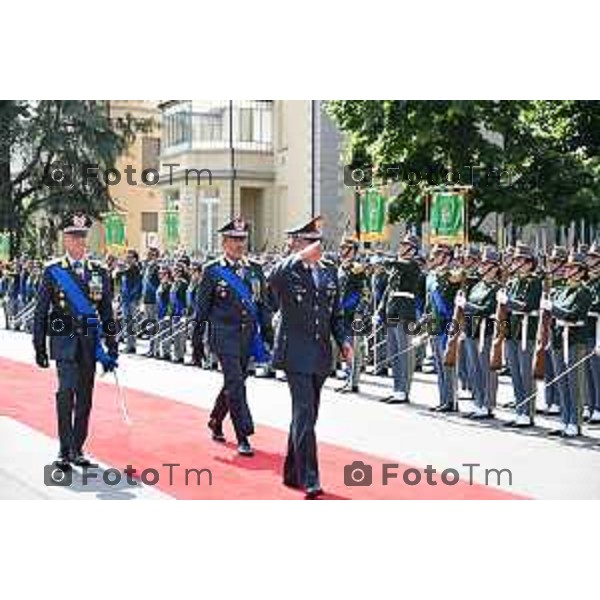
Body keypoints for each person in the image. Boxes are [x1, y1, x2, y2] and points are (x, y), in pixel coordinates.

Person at [269, 216, 352, 498]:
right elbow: (272, 278)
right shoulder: (289, 270)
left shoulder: (328, 272)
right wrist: (298, 257)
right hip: (295, 353)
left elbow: (336, 313)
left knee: (307, 416)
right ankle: (310, 478)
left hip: (320, 355)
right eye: (309, 242)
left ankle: (292, 472)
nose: (315, 247)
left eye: (317, 242)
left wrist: (344, 342)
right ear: (297, 244)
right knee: (304, 412)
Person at [32, 212, 118, 471]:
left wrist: (112, 345)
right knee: (65, 392)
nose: (79, 241)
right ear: (65, 239)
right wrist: (39, 345)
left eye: (82, 236)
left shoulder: (99, 271)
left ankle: (78, 448)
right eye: (73, 236)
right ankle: (64, 448)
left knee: (85, 398)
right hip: (63, 342)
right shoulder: (54, 271)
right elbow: (41, 310)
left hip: (89, 344)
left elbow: (106, 311)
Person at [195, 217, 273, 456]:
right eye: (234, 240)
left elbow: (263, 306)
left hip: (247, 337)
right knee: (236, 383)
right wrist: (197, 341)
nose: (240, 244)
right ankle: (243, 434)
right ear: (224, 242)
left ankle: (216, 419)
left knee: (234, 382)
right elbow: (202, 309)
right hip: (223, 336)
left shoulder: (255, 270)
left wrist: (268, 335)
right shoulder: (212, 271)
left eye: (243, 239)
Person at [546, 251, 593, 437]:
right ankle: (565, 420)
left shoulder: (584, 291)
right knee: (562, 383)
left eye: (572, 268)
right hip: (558, 339)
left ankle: (575, 422)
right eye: (567, 267)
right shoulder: (561, 290)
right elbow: (555, 315)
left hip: (574, 341)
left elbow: (573, 314)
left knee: (574, 383)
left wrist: (554, 309)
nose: (567, 270)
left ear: (581, 272)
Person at [374, 233, 425, 404]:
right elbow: (388, 292)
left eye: (405, 245)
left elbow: (400, 265)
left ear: (412, 249)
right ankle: (397, 389)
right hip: (392, 312)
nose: (401, 247)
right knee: (394, 353)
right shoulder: (397, 267)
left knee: (405, 353)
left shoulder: (413, 265)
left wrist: (384, 258)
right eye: (402, 245)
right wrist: (380, 312)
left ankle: (404, 390)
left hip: (405, 313)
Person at [499, 242, 542, 427]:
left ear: (530, 263)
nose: (516, 263)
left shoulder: (535, 282)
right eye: (515, 259)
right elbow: (506, 311)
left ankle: (528, 412)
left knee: (526, 374)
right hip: (513, 332)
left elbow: (528, 305)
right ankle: (519, 410)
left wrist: (509, 301)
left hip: (527, 331)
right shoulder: (513, 282)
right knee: (515, 374)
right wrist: (503, 331)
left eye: (520, 260)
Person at [459, 246, 502, 419]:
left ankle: (488, 404)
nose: (482, 267)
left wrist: (467, 306)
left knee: (486, 369)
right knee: (473, 368)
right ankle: (478, 402)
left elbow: (486, 309)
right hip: (472, 330)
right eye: (482, 263)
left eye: (486, 264)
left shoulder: (497, 288)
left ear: (495, 267)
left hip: (487, 331)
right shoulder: (476, 286)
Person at [426, 243, 462, 412]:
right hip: (435, 324)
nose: (433, 257)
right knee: (439, 365)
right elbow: (429, 303)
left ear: (447, 257)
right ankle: (443, 398)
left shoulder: (453, 276)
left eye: (438, 255)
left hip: (448, 323)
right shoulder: (432, 275)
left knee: (448, 363)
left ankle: (451, 401)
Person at [336, 237, 370, 393]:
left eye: (345, 248)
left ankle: (354, 382)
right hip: (342, 314)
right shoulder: (341, 268)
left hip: (354, 314)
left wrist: (360, 312)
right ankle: (349, 378)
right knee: (346, 348)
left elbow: (366, 293)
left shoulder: (357, 269)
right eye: (342, 248)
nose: (342, 251)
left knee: (354, 348)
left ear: (352, 251)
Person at [141, 247, 161, 357]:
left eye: (151, 254)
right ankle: (151, 348)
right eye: (148, 254)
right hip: (147, 298)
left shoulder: (157, 268)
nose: (149, 256)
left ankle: (155, 349)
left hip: (154, 299)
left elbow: (158, 284)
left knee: (154, 325)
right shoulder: (147, 267)